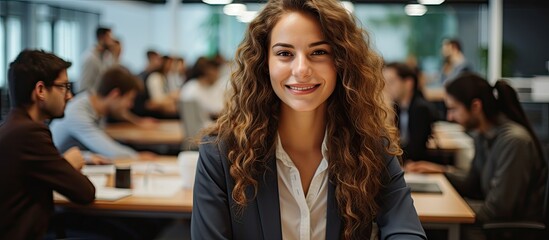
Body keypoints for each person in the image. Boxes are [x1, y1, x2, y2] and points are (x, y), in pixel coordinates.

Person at [191, 0, 426, 239]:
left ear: (341, 63)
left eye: (319, 52)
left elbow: (406, 231)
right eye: (284, 53)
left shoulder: (370, 147)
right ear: (264, 64)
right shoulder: (220, 154)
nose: (301, 69)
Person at [406, 73, 547, 239]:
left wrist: (450, 206)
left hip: (505, 231)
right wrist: (440, 171)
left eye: (453, 109)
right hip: (492, 225)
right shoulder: (483, 135)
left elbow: (498, 210)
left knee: (428, 230)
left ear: (476, 106)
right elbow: (472, 183)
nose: (449, 117)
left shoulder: (514, 141)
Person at [0, 50, 95, 239]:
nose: (69, 96)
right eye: (64, 87)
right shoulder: (30, 134)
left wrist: (66, 162)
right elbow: (85, 193)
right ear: (41, 90)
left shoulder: (13, 127)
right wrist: (68, 164)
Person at [50, 66, 155, 160]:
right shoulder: (77, 114)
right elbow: (110, 151)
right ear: (115, 95)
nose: (130, 105)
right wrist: (137, 156)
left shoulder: (95, 104)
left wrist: (137, 121)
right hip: (56, 171)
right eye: (129, 99)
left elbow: (122, 113)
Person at [384, 62, 437, 162]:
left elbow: (416, 151)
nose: (386, 87)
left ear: (408, 83)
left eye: (391, 82)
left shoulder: (421, 109)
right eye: (384, 82)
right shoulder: (397, 108)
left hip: (420, 166)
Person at [77, 27, 118, 92]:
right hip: (89, 99)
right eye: (110, 38)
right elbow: (83, 87)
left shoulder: (106, 57)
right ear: (102, 38)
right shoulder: (90, 58)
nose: (112, 42)